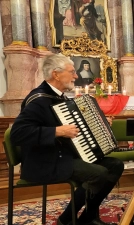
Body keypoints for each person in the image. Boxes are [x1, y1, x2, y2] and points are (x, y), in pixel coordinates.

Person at [10, 54, 124, 225]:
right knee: (98, 173)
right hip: (44, 161)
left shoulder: (60, 97)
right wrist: (56, 131)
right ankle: (66, 219)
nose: (76, 76)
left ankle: (88, 217)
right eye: (72, 72)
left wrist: (100, 123)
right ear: (56, 74)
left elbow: (76, 126)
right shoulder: (38, 100)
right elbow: (17, 133)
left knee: (115, 165)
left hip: (63, 156)